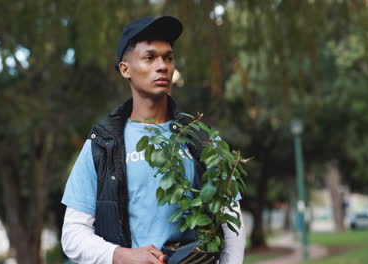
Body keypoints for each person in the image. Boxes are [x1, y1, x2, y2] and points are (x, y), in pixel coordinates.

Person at [61, 16, 246, 264]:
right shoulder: (102, 145)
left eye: (168, 58)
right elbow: (72, 235)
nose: (163, 66)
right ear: (125, 69)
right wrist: (121, 256)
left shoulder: (203, 139)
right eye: (149, 58)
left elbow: (232, 223)